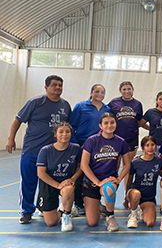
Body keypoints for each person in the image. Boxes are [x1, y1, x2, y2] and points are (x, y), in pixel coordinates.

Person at [6, 75, 71, 224]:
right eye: (54, 85)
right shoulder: (35, 102)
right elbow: (18, 120)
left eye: (60, 85)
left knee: (48, 183)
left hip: (52, 155)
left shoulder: (65, 106)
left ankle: (46, 208)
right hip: (32, 150)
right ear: (46, 87)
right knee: (29, 182)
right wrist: (11, 138)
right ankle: (27, 211)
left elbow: (67, 129)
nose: (58, 88)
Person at [80, 113, 132, 232]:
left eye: (112, 122)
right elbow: (83, 165)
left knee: (109, 190)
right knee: (92, 222)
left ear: (116, 124)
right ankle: (98, 206)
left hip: (109, 180)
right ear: (100, 125)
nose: (109, 125)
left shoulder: (121, 142)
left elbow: (127, 164)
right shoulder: (91, 140)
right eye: (106, 123)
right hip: (91, 181)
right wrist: (97, 182)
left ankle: (110, 215)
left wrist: (118, 179)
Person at [69, 84, 110, 214]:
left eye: (102, 92)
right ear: (91, 92)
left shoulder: (107, 108)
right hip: (82, 144)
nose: (100, 94)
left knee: (97, 173)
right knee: (81, 173)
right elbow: (72, 126)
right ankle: (79, 204)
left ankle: (96, 203)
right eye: (97, 91)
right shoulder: (81, 106)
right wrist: (76, 144)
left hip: (99, 146)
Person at [36, 122, 82, 232]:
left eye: (67, 132)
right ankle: (63, 209)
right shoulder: (45, 150)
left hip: (66, 183)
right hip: (49, 183)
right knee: (51, 223)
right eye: (61, 132)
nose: (64, 134)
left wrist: (73, 179)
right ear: (55, 134)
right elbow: (41, 173)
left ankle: (66, 214)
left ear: (71, 134)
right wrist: (57, 185)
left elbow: (81, 167)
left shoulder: (76, 149)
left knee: (69, 190)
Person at [125, 136, 162, 228]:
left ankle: (142, 210)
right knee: (136, 194)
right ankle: (133, 215)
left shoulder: (159, 161)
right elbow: (129, 180)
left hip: (148, 197)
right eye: (147, 145)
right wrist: (126, 197)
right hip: (135, 192)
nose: (150, 148)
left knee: (150, 223)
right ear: (143, 148)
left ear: (156, 146)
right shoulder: (135, 162)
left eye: (152, 145)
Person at [107, 81, 143, 159]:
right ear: (120, 91)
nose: (127, 92)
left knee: (128, 165)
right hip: (116, 138)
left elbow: (139, 121)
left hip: (132, 138)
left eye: (129, 89)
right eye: (124, 89)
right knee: (115, 165)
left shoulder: (138, 104)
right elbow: (106, 116)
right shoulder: (114, 102)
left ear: (133, 90)